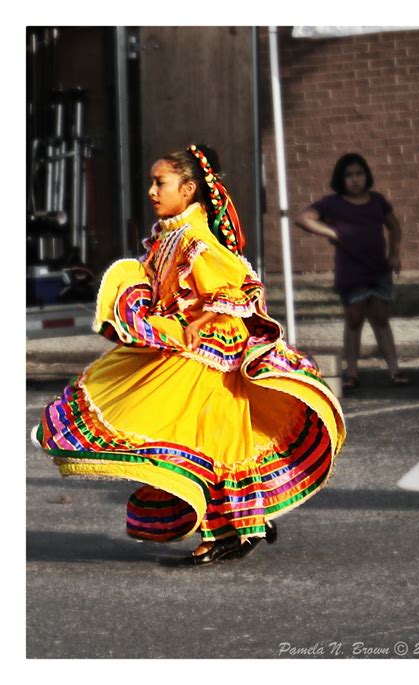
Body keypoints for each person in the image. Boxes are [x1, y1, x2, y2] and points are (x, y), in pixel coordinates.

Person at [31, 144, 346, 566]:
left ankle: (234, 531)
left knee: (207, 441)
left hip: (212, 355)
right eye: (152, 182)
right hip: (189, 349)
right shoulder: (171, 233)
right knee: (196, 439)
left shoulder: (196, 237)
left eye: (160, 183)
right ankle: (244, 519)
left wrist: (201, 319)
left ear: (189, 188)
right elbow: (152, 280)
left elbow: (235, 284)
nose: (151, 191)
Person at [295, 152, 410, 390]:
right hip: (352, 272)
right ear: (341, 179)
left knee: (380, 318)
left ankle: (395, 370)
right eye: (349, 175)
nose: (355, 179)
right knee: (354, 319)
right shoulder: (333, 204)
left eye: (359, 174)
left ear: (366, 176)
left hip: (378, 269)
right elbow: (304, 218)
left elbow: (394, 225)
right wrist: (331, 232)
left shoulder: (377, 201)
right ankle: (352, 372)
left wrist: (395, 253)